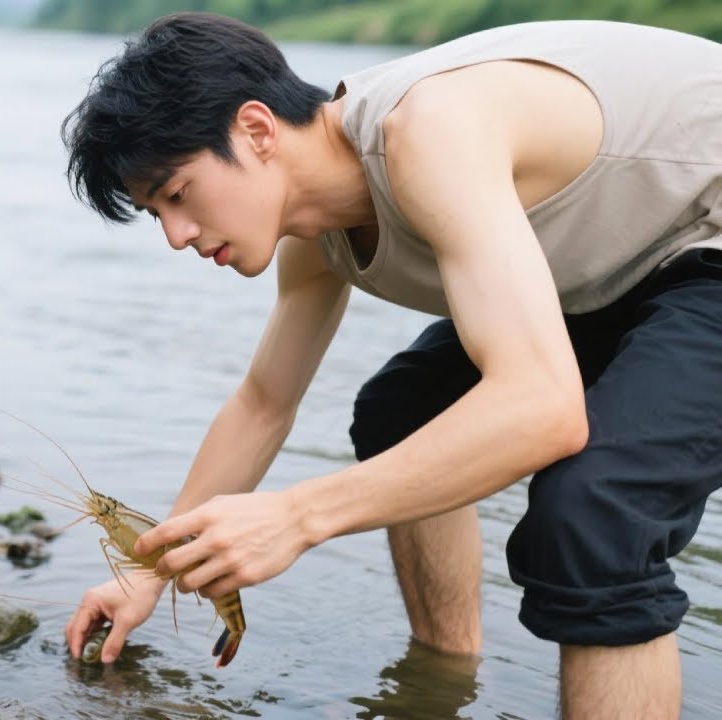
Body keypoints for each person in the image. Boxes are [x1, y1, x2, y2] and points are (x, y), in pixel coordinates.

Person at [58, 11, 722, 719]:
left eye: (178, 194)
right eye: (156, 213)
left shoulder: (431, 133)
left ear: (256, 130)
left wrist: (297, 516)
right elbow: (263, 403)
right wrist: (149, 573)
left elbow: (542, 411)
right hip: (624, 262)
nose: (176, 235)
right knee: (400, 411)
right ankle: (442, 687)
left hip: (701, 238)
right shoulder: (317, 234)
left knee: (593, 513)